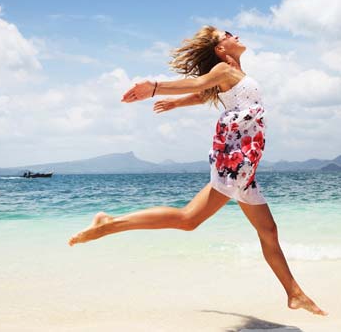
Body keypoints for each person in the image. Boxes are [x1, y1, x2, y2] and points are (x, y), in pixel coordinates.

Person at [67, 25, 328, 316]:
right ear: (220, 49)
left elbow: (203, 93)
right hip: (235, 158)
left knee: (268, 230)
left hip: (245, 163)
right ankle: (109, 223)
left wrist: (177, 103)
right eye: (226, 35)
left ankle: (294, 294)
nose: (234, 35)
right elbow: (198, 83)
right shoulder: (223, 70)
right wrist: (153, 88)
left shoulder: (234, 75)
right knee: (189, 219)